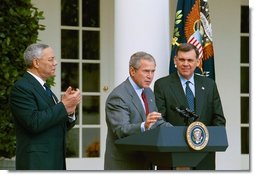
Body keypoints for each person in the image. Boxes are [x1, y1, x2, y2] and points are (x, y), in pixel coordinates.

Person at [154, 43, 226, 170]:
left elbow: (219, 119)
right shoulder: (162, 85)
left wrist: (208, 142)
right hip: (174, 155)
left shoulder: (209, 85)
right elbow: (160, 120)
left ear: (198, 62)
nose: (185, 64)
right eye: (182, 59)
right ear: (175, 60)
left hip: (204, 155)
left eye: (190, 60)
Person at [9, 43, 81, 170]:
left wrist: (70, 111)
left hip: (54, 160)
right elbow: (33, 122)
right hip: (36, 163)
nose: (56, 63)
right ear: (36, 63)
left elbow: (57, 124)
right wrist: (63, 106)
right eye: (51, 59)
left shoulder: (44, 88)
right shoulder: (21, 88)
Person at [104, 51, 173, 170]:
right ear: (132, 71)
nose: (150, 76)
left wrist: (179, 132)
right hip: (126, 165)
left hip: (147, 163)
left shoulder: (148, 92)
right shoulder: (118, 96)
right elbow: (121, 130)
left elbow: (157, 122)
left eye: (153, 71)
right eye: (146, 71)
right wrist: (144, 126)